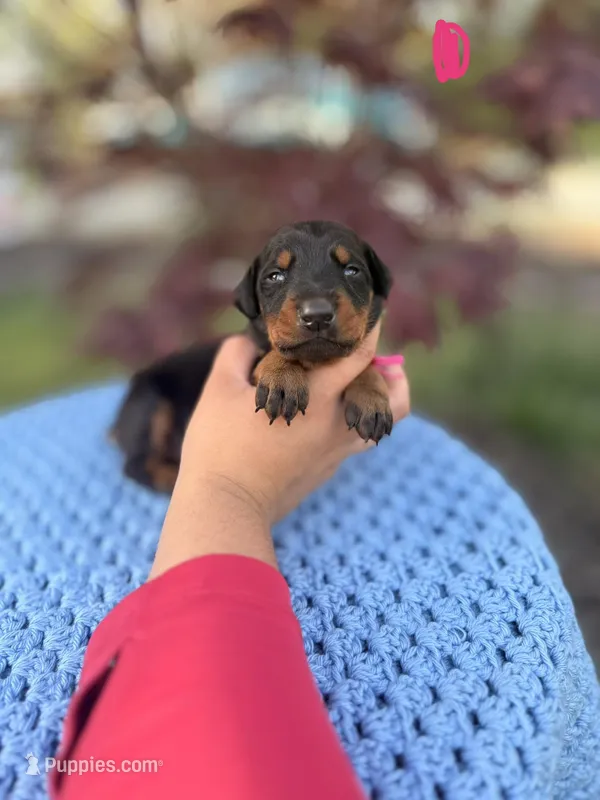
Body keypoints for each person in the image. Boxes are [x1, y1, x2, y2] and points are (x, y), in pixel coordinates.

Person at [49, 321, 410, 800]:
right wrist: (223, 486)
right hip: (164, 401)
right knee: (147, 427)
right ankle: (151, 464)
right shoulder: (246, 358)